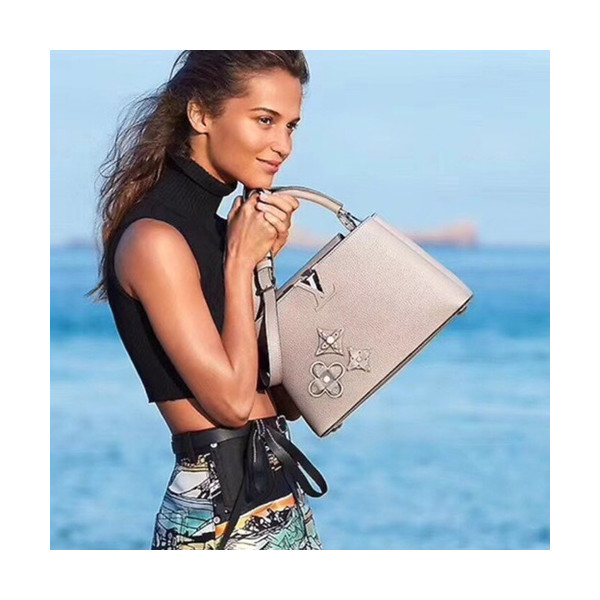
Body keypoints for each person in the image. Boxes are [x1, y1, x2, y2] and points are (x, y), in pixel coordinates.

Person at [89, 51, 328, 550]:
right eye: (265, 120)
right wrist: (240, 264)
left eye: (291, 126)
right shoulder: (153, 240)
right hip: (219, 515)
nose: (283, 145)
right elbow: (233, 404)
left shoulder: (225, 233)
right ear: (200, 114)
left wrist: (262, 267)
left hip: (277, 498)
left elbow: (281, 397)